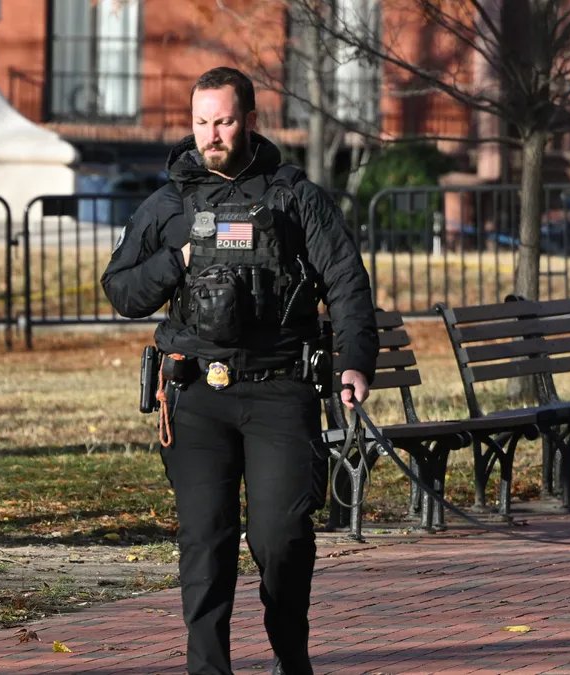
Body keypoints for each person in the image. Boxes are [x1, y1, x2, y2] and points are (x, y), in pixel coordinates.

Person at [101, 67, 377, 675]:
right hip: (196, 392)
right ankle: (208, 668)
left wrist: (356, 362)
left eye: (223, 121)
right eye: (201, 122)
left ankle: (290, 656)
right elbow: (120, 290)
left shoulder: (294, 195)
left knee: (280, 539)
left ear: (250, 120)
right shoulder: (169, 201)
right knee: (206, 542)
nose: (212, 134)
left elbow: (348, 284)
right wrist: (177, 260)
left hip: (279, 388)